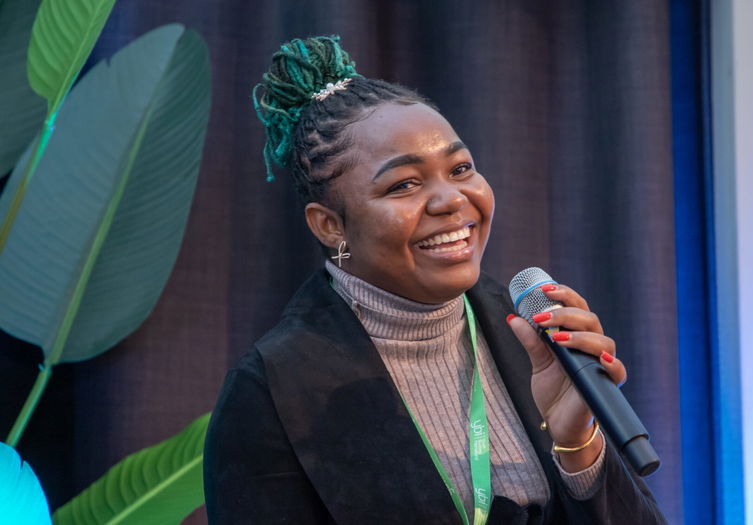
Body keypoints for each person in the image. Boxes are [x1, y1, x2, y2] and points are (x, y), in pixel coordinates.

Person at [203, 36, 665, 524]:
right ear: (330, 225)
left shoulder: (529, 335)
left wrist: (578, 447)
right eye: (403, 185)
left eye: (461, 168)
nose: (451, 200)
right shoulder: (273, 390)